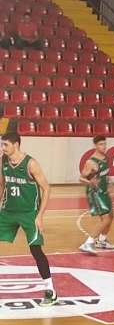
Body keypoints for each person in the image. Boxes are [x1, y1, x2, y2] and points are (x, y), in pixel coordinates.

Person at [0, 131, 56, 306]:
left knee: (35, 250)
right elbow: (2, 184)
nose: (3, 148)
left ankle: (50, 290)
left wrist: (40, 215)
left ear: (16, 145)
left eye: (6, 145)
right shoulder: (3, 161)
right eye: (2, 144)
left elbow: (46, 188)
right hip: (8, 211)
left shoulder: (31, 164)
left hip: (29, 213)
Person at [78, 135, 114, 255]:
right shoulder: (91, 162)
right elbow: (81, 178)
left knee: (111, 215)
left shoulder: (106, 157)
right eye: (101, 144)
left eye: (105, 144)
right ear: (95, 145)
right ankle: (87, 243)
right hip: (95, 192)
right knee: (105, 219)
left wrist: (109, 181)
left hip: (104, 190)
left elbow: (105, 173)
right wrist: (90, 182)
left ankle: (102, 241)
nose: (104, 146)